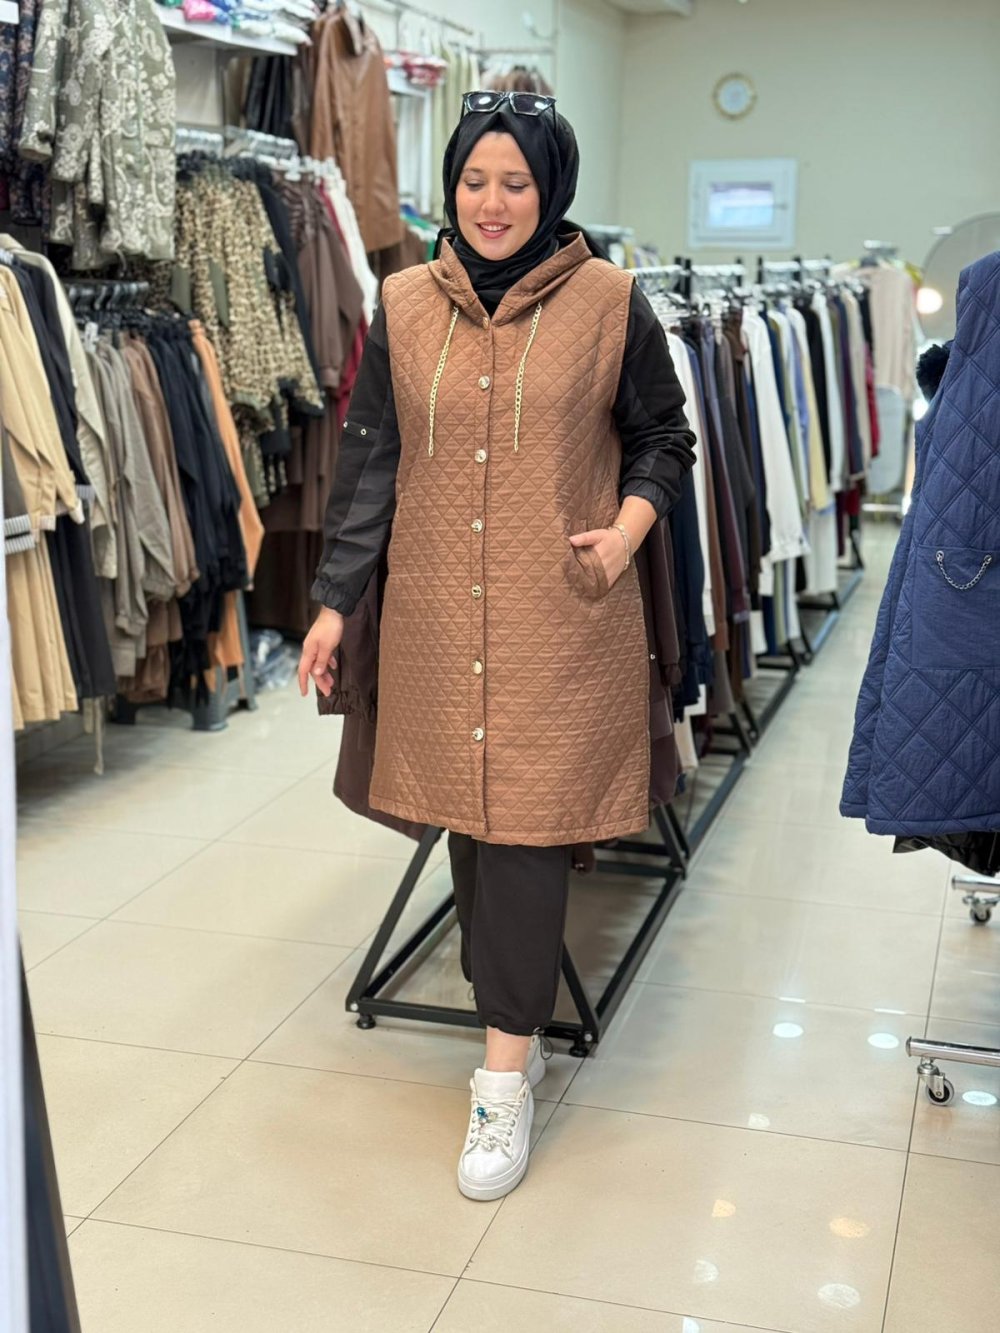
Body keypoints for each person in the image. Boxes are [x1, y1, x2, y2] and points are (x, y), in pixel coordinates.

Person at [298, 91, 696, 1202]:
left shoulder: (612, 302)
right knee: (471, 822)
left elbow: (665, 437)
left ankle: (503, 1081)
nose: (491, 201)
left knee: (520, 831)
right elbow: (372, 461)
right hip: (435, 616)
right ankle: (507, 1016)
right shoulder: (403, 302)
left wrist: (627, 530)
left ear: (550, 188)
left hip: (558, 614)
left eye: (515, 182)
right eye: (474, 179)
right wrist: (333, 603)